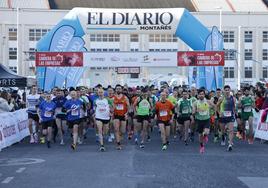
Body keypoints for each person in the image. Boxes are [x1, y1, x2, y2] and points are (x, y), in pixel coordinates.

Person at [217, 85, 236, 151]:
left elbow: (234, 107)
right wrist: (219, 113)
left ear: (230, 90)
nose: (227, 91)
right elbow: (217, 106)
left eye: (228, 90)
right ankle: (223, 137)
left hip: (230, 116)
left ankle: (230, 144)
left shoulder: (233, 98)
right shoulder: (221, 98)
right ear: (224, 91)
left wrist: (235, 113)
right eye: (226, 90)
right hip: (223, 116)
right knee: (223, 131)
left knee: (231, 130)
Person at [113, 85, 130, 150]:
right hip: (116, 115)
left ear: (121, 90)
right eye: (117, 89)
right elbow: (111, 106)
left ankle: (119, 137)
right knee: (116, 129)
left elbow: (128, 106)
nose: (118, 90)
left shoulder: (125, 98)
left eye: (119, 89)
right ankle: (118, 143)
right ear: (115, 90)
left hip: (123, 115)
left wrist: (126, 113)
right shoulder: (113, 98)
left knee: (123, 131)